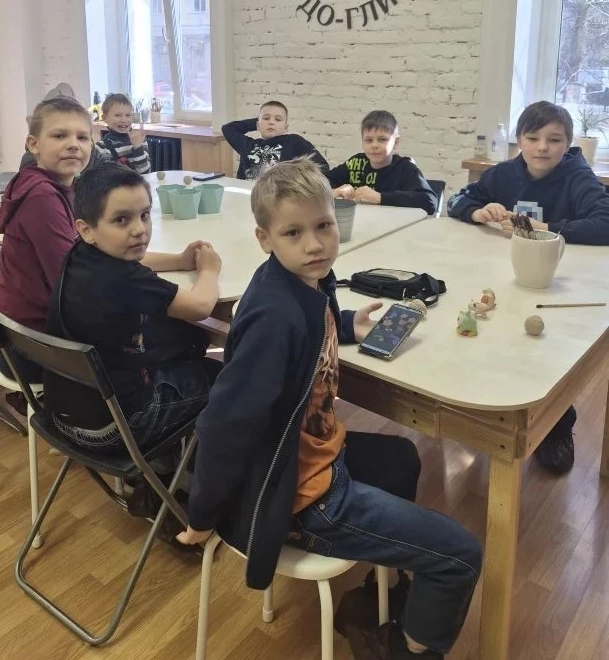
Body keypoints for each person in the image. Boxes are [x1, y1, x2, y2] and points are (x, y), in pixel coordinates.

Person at [177, 158, 481, 659]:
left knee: (401, 458)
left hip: (316, 459)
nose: (315, 244)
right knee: (460, 556)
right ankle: (402, 650)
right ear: (264, 239)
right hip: (303, 497)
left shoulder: (304, 283)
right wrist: (203, 513)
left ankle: (382, 598)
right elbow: (225, 425)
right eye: (293, 233)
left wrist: (346, 322)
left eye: (323, 226)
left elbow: (311, 320)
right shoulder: (275, 317)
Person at [448, 99, 609, 474]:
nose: (542, 148)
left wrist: (546, 228)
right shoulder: (503, 174)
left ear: (568, 143)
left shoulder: (578, 177)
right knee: (502, 338)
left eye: (554, 140)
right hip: (505, 275)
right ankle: (492, 404)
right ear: (519, 139)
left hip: (558, 281)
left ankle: (558, 422)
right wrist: (477, 211)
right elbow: (457, 199)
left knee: (549, 353)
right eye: (532, 138)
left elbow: (605, 223)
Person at [44, 163, 221, 495]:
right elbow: (201, 306)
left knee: (176, 347)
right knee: (225, 377)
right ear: (87, 229)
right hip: (118, 428)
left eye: (145, 215)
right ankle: (187, 479)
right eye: (121, 220)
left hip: (62, 416)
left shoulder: (80, 254)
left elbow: (137, 258)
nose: (139, 230)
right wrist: (209, 270)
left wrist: (179, 260)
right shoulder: (125, 279)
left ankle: (163, 470)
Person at [0, 97, 92, 383]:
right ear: (33, 145)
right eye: (60, 136)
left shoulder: (56, 187)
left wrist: (176, 260)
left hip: (16, 336)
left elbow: (96, 248)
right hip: (33, 348)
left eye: (82, 137)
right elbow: (72, 282)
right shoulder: (42, 196)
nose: (73, 144)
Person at [329, 110, 437, 214]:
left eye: (382, 139)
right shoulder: (355, 162)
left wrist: (380, 197)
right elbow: (320, 182)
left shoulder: (405, 168)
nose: (374, 145)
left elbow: (430, 201)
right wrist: (333, 192)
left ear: (396, 142)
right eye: (368, 140)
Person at [222, 100, 329, 180]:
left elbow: (322, 167)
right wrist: (258, 122)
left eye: (278, 119)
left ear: (286, 127)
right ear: (257, 125)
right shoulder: (249, 145)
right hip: (247, 194)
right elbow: (228, 129)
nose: (271, 122)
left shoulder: (294, 142)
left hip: (278, 197)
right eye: (266, 118)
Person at [96, 93, 151, 174]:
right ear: (105, 118)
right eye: (117, 115)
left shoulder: (140, 140)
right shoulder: (101, 147)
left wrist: (137, 147)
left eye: (128, 115)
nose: (123, 120)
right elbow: (106, 177)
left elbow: (145, 172)